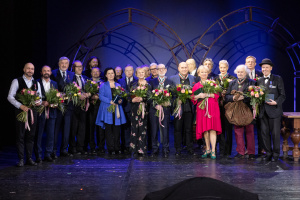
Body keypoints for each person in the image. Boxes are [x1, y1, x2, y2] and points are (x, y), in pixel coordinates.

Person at [7, 63, 42, 167]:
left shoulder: (36, 83)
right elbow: (10, 97)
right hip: (21, 112)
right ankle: (21, 159)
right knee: (20, 135)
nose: (30, 70)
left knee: (31, 136)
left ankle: (29, 158)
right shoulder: (17, 81)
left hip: (32, 112)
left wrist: (38, 102)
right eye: (28, 68)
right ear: (24, 69)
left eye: (32, 69)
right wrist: (20, 106)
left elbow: (39, 97)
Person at [257, 58, 285, 162]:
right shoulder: (259, 80)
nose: (264, 69)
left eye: (266, 67)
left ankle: (276, 154)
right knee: (264, 133)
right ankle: (268, 153)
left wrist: (276, 102)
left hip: (274, 110)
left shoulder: (277, 78)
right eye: (263, 67)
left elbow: (283, 95)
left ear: (271, 68)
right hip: (263, 111)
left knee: (275, 134)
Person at [225, 65, 256, 159]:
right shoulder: (232, 83)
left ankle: (251, 152)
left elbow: (254, 95)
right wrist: (233, 98)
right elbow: (226, 97)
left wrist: (245, 97)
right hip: (236, 110)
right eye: (238, 72)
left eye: (241, 72)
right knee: (238, 131)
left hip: (248, 110)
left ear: (245, 72)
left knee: (250, 131)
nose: (239, 73)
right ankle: (240, 152)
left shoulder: (252, 82)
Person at [192, 65, 222, 159]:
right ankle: (207, 148)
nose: (204, 74)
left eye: (205, 72)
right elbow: (193, 98)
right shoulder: (196, 85)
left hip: (213, 108)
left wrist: (206, 94)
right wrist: (198, 96)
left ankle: (213, 150)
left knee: (212, 129)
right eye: (202, 72)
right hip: (202, 109)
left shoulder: (213, 83)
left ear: (208, 73)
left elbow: (217, 95)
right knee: (205, 130)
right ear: (199, 74)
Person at [96, 68, 126, 155]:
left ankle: (117, 147)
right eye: (108, 73)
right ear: (105, 75)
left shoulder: (118, 85)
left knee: (117, 129)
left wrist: (120, 101)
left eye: (112, 73)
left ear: (114, 74)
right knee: (108, 129)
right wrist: (110, 101)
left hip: (117, 108)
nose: (110, 75)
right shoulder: (103, 85)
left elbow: (121, 97)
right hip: (107, 109)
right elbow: (101, 97)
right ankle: (110, 148)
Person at [170, 62, 196, 156]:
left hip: (189, 107)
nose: (184, 69)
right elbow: (170, 94)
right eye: (182, 67)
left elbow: (195, 92)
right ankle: (178, 149)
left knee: (188, 129)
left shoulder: (193, 78)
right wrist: (177, 100)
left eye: (186, 67)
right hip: (178, 107)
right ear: (178, 68)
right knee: (177, 129)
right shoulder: (172, 79)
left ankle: (189, 148)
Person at [51, 56, 75, 158]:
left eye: (66, 63)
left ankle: (64, 149)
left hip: (69, 106)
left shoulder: (72, 74)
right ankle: (53, 150)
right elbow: (51, 88)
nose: (64, 65)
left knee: (67, 129)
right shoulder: (53, 73)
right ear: (59, 64)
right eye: (62, 63)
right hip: (57, 106)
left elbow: (75, 88)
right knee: (55, 130)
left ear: (68, 65)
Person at [149, 64, 173, 158]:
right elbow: (148, 96)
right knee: (154, 130)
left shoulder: (170, 82)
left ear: (166, 70)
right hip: (154, 110)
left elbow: (173, 95)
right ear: (157, 70)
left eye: (163, 69)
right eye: (159, 69)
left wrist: (168, 102)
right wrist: (156, 105)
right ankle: (155, 149)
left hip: (165, 109)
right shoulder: (151, 82)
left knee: (165, 130)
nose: (161, 70)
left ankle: (166, 149)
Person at [34, 66, 58, 163]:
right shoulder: (36, 82)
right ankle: (38, 156)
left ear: (51, 72)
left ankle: (48, 154)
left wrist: (55, 104)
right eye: (44, 70)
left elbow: (57, 97)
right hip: (40, 111)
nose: (46, 72)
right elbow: (35, 96)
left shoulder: (54, 84)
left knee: (51, 134)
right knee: (39, 134)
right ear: (41, 72)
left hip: (52, 112)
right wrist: (42, 102)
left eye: (48, 70)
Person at [214, 60, 236, 157]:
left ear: (227, 68)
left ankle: (228, 151)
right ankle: (222, 150)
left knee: (228, 129)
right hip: (218, 107)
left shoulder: (232, 79)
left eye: (224, 67)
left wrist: (227, 92)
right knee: (220, 128)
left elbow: (234, 92)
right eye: (221, 67)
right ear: (219, 68)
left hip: (229, 106)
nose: (222, 69)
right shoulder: (215, 79)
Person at [245, 55, 265, 156]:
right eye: (248, 62)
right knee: (248, 128)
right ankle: (248, 149)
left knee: (261, 127)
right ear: (245, 63)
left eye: (252, 62)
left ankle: (262, 148)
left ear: (255, 63)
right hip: (248, 106)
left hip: (260, 105)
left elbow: (265, 87)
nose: (250, 63)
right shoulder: (243, 74)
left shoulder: (261, 74)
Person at [69, 61, 89, 155]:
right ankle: (72, 147)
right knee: (73, 127)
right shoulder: (70, 78)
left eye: (81, 66)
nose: (80, 68)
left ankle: (80, 147)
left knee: (82, 127)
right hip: (73, 106)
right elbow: (69, 91)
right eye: (78, 67)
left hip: (83, 106)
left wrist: (88, 93)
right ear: (73, 68)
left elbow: (88, 90)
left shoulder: (85, 78)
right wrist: (78, 95)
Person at [129, 66, 150, 156]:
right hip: (134, 108)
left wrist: (143, 98)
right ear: (136, 74)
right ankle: (134, 149)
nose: (141, 74)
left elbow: (150, 97)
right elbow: (129, 95)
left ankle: (142, 149)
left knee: (142, 129)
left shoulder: (148, 84)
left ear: (145, 73)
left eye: (143, 72)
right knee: (134, 128)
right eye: (139, 72)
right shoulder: (133, 84)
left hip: (144, 109)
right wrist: (132, 99)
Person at [118, 65, 138, 154]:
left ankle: (134, 145)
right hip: (124, 107)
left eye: (130, 70)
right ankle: (125, 145)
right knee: (125, 128)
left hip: (135, 107)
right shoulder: (120, 81)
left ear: (133, 71)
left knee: (134, 127)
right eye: (127, 71)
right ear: (124, 72)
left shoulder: (137, 81)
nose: (129, 72)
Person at [86, 67, 105, 154]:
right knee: (91, 127)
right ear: (91, 73)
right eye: (94, 72)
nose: (96, 73)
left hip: (101, 107)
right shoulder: (87, 83)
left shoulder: (103, 83)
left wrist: (99, 97)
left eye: (97, 71)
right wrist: (91, 96)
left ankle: (101, 146)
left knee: (100, 127)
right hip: (91, 108)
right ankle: (92, 146)